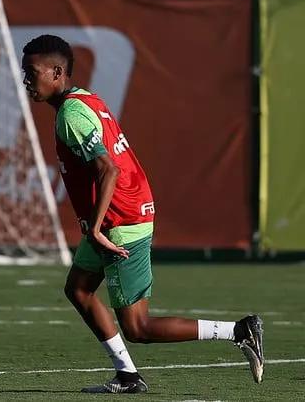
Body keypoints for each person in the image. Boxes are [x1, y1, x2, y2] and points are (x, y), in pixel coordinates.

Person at [20, 34, 264, 393]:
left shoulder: (71, 115)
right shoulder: (85, 99)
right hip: (116, 217)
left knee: (138, 328)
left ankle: (240, 331)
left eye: (32, 72)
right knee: (79, 290)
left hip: (121, 222)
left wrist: (99, 228)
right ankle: (128, 376)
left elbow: (109, 170)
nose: (27, 80)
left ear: (57, 72)